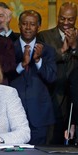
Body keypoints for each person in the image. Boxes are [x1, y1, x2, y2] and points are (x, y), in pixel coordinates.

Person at [9, 10, 57, 145]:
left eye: (32, 24)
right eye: (24, 24)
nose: (28, 28)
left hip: (39, 115)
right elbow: (3, 77)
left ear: (39, 26)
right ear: (19, 25)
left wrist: (37, 61)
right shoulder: (9, 49)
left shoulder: (48, 50)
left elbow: (52, 78)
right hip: (14, 113)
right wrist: (22, 65)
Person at [38, 2, 78, 145]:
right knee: (51, 141)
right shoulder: (44, 36)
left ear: (76, 18)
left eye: (70, 19)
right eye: (62, 18)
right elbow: (42, 61)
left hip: (75, 99)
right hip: (53, 95)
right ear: (57, 17)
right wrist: (62, 50)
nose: (66, 23)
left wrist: (74, 47)